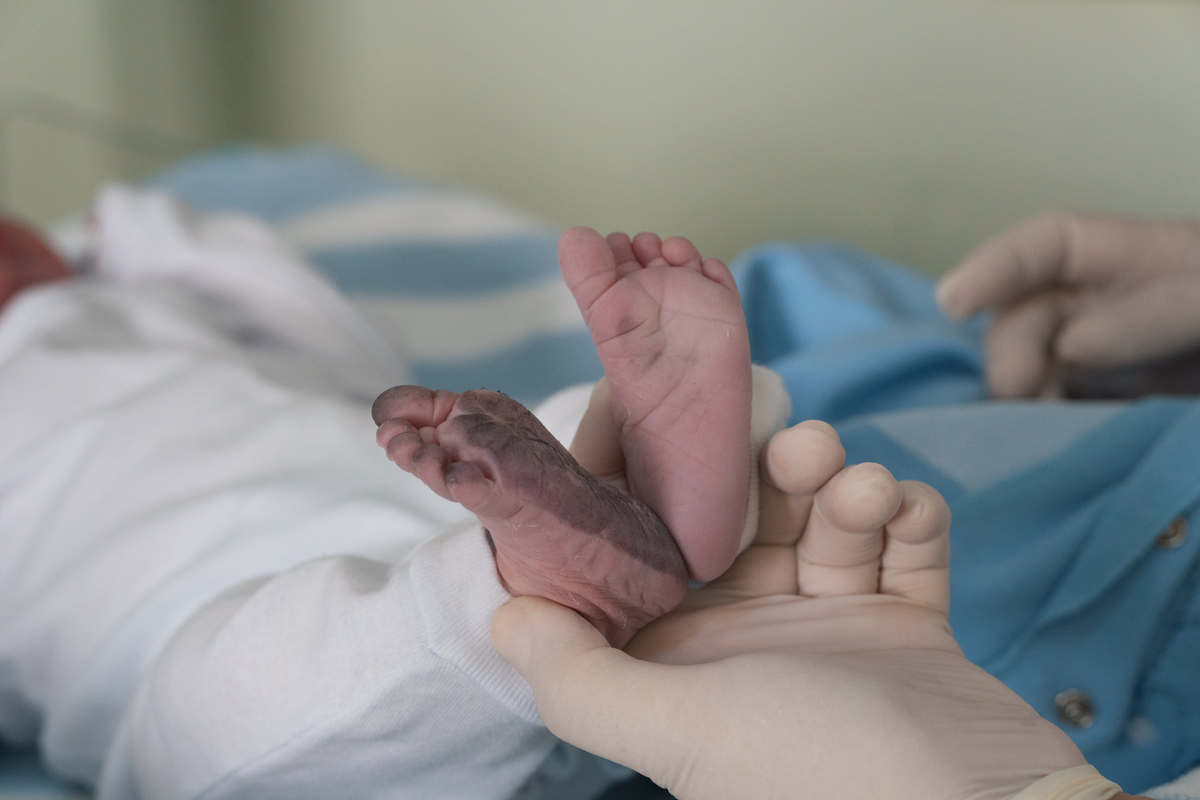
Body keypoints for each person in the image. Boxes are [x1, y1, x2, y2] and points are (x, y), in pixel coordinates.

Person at [493, 211, 1200, 800]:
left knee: (821, 466)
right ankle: (674, 493)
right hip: (994, 524)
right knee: (845, 427)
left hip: (900, 601)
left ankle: (652, 504)